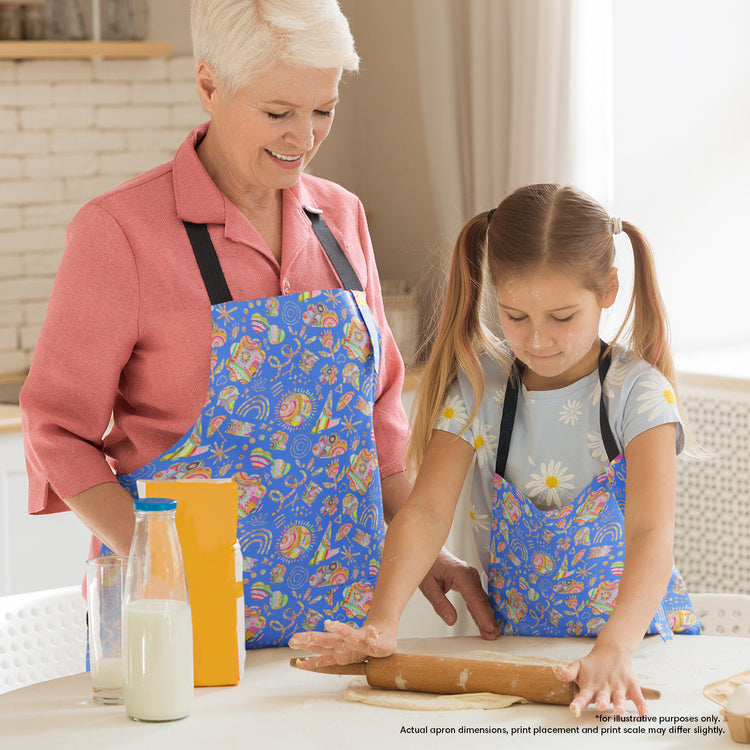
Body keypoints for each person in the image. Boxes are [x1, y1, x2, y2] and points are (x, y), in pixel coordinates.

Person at [20, 0, 495, 648]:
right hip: (177, 623)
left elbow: (378, 414)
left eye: (323, 110)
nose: (304, 136)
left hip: (340, 630)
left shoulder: (341, 218)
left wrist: (419, 548)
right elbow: (56, 429)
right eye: (278, 113)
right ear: (209, 84)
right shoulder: (121, 232)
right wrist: (152, 555)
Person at [290, 183, 701, 715]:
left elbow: (652, 534)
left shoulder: (638, 396)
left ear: (608, 290)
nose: (537, 340)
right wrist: (382, 621)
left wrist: (615, 648)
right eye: (515, 316)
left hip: (636, 657)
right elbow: (426, 510)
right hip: (523, 658)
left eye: (562, 317)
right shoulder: (482, 387)